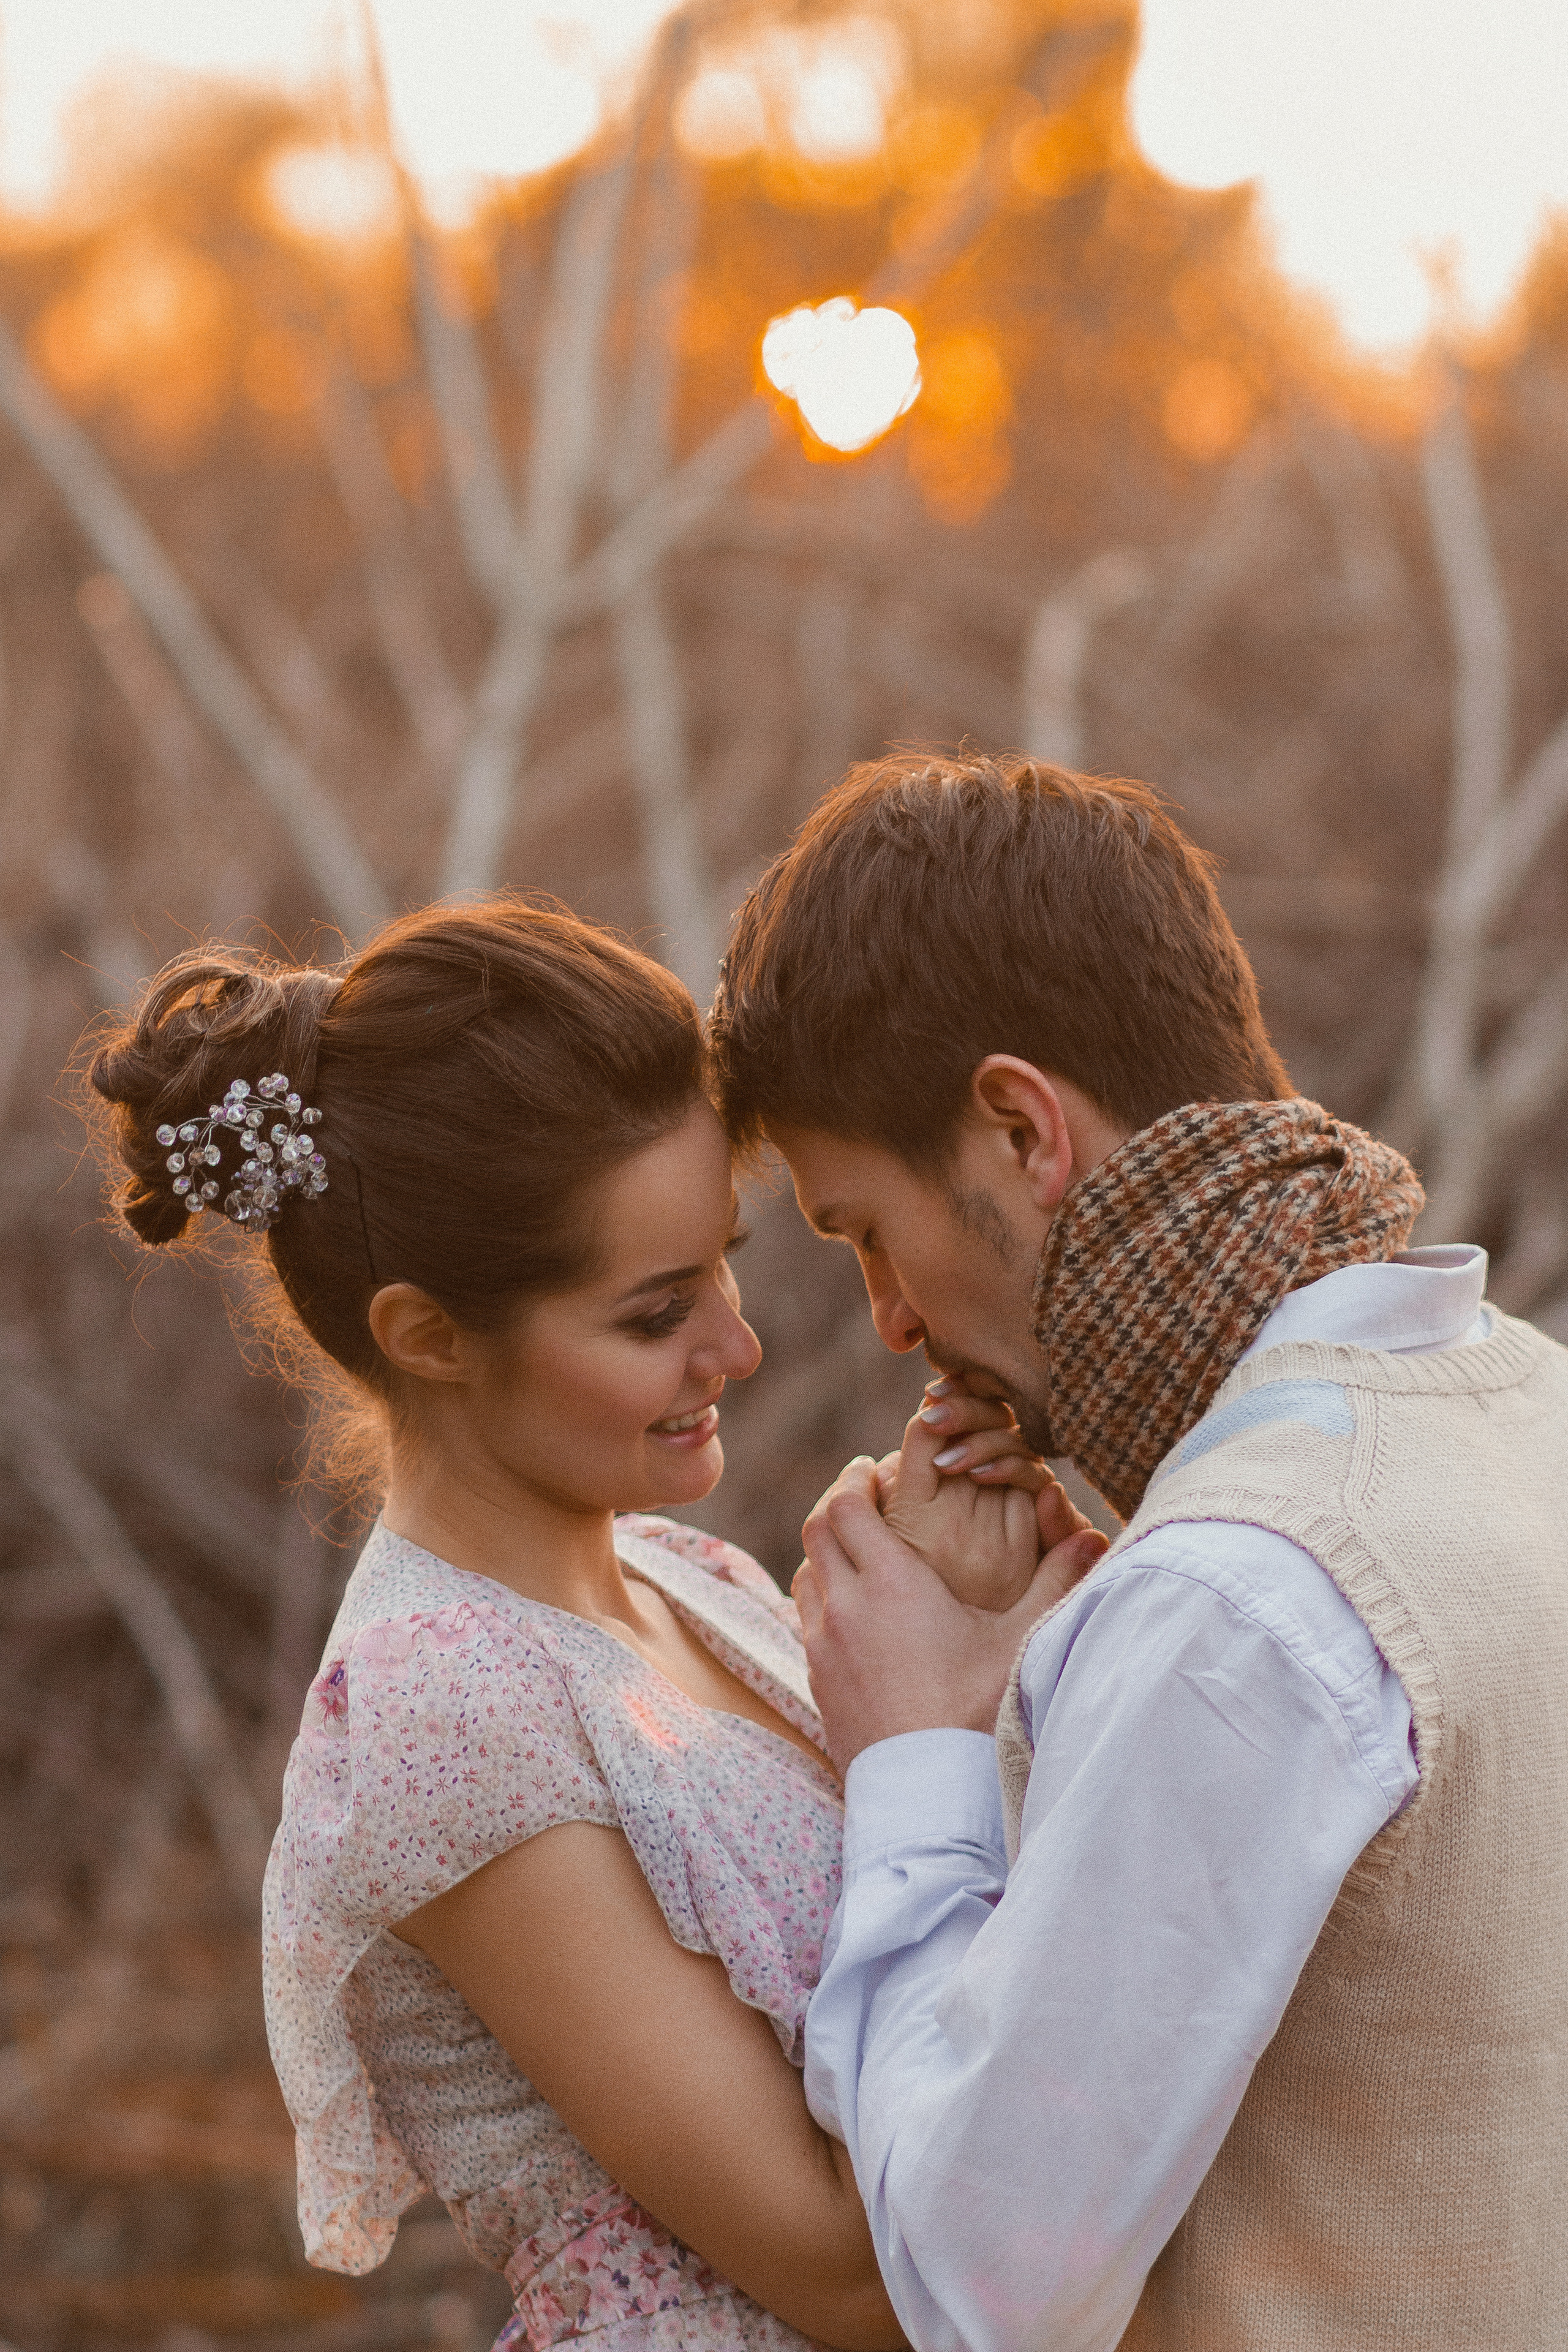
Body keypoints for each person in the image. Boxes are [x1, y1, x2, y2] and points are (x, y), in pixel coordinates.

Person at [87, 898, 1093, 2352]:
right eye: (653, 1315)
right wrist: (934, 1724)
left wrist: (989, 1629)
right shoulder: (448, 1707)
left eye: (722, 1262)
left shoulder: (690, 1577)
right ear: (429, 1335)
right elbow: (849, 2272)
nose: (737, 1344)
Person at [710, 751, 1568, 2352]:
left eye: (867, 1232)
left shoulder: (1232, 1598)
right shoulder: (1530, 1409)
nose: (887, 1318)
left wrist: (916, 1751)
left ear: (1020, 1131)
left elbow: (980, 2290)